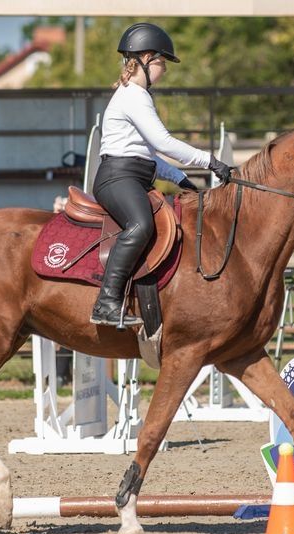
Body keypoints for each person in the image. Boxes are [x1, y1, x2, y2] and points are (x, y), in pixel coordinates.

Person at [91, 22, 233, 327]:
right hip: (117, 178)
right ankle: (106, 303)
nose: (164, 70)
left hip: (135, 175)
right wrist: (210, 161)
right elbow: (163, 142)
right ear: (144, 58)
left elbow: (148, 154)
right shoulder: (133, 95)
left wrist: (180, 178)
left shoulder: (137, 95)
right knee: (141, 225)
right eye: (161, 62)